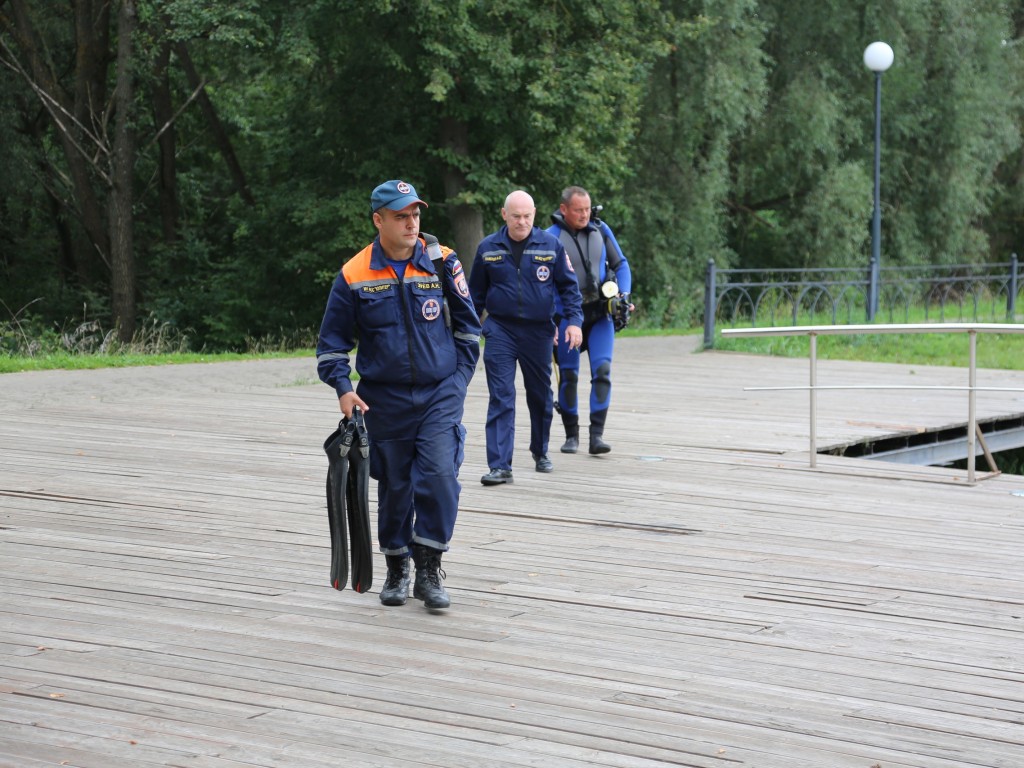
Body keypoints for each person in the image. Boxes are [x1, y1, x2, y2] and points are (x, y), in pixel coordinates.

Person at [316, 180, 481, 610]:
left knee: (441, 475)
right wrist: (343, 389)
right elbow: (332, 345)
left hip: (440, 392)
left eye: (416, 215)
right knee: (395, 485)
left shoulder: (443, 262)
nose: (411, 223)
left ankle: (429, 567)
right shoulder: (354, 274)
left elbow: (468, 330)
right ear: (379, 220)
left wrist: (459, 381)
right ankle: (396, 566)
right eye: (401, 216)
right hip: (382, 398)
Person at [469, 190, 583, 486]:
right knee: (501, 396)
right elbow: (474, 297)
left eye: (527, 216)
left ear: (534, 214)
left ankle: (540, 450)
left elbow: (570, 289)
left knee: (540, 396)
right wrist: (466, 332)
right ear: (503, 214)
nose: (522, 222)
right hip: (501, 331)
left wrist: (573, 323)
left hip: (539, 331)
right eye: (516, 216)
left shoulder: (551, 245)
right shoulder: (487, 248)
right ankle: (499, 465)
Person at [546, 186, 632, 454]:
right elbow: (541, 283)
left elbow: (622, 265)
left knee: (602, 371)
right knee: (569, 376)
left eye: (587, 209)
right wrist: (548, 321)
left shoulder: (601, 229)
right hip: (567, 317)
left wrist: (624, 293)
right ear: (564, 209)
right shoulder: (550, 237)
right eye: (578, 210)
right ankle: (571, 435)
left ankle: (597, 436)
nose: (584, 215)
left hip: (600, 313)